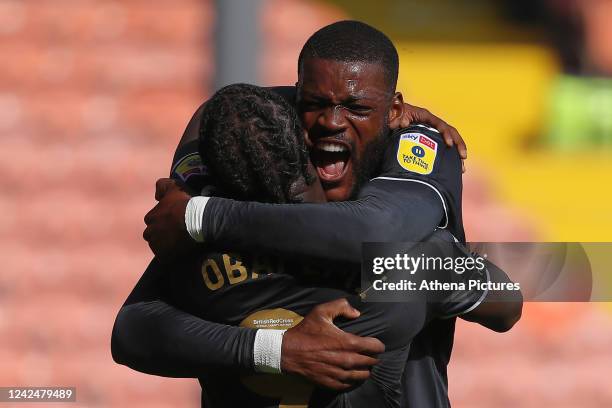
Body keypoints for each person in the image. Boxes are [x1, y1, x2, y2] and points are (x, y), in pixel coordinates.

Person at [119, 21, 522, 408]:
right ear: (297, 107)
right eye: (314, 104)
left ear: (394, 110)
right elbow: (512, 298)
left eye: (357, 106)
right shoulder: (409, 266)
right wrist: (276, 351)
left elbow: (133, 331)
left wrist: (201, 217)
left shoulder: (214, 241)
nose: (331, 122)